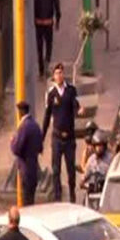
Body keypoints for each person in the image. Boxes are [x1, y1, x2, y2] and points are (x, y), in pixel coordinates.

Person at [43, 62, 82, 203]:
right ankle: (57, 197)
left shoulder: (70, 90)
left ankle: (72, 192)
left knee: (71, 168)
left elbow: (75, 104)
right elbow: (47, 116)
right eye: (56, 73)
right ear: (53, 77)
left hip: (69, 137)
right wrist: (42, 137)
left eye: (61, 72)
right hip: (57, 138)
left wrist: (78, 109)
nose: (59, 76)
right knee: (56, 170)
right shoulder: (51, 94)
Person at [33, 0, 61, 78]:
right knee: (48, 44)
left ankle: (40, 70)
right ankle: (47, 63)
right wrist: (58, 17)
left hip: (38, 20)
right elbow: (56, 0)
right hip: (48, 20)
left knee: (39, 46)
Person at [10, 101, 43, 206]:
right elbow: (40, 147)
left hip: (25, 169)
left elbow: (16, 149)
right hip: (34, 168)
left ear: (21, 112)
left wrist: (12, 141)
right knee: (31, 199)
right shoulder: (35, 125)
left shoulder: (24, 127)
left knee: (26, 201)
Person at [80, 125, 112, 196]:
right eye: (97, 146)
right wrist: (82, 181)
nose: (99, 149)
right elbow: (86, 174)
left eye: (101, 146)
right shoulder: (91, 160)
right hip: (93, 193)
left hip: (106, 193)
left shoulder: (110, 159)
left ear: (104, 146)